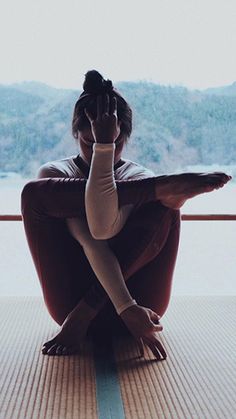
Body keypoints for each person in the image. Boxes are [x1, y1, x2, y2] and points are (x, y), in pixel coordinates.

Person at [21, 70, 231, 358]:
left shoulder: (137, 174)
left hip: (140, 304)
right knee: (34, 194)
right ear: (75, 136)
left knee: (164, 206)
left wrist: (117, 308)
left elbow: (104, 227)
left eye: (113, 143)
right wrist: (123, 306)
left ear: (126, 138)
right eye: (89, 143)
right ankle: (164, 187)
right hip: (72, 307)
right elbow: (94, 235)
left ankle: (164, 194)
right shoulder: (56, 174)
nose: (98, 152)